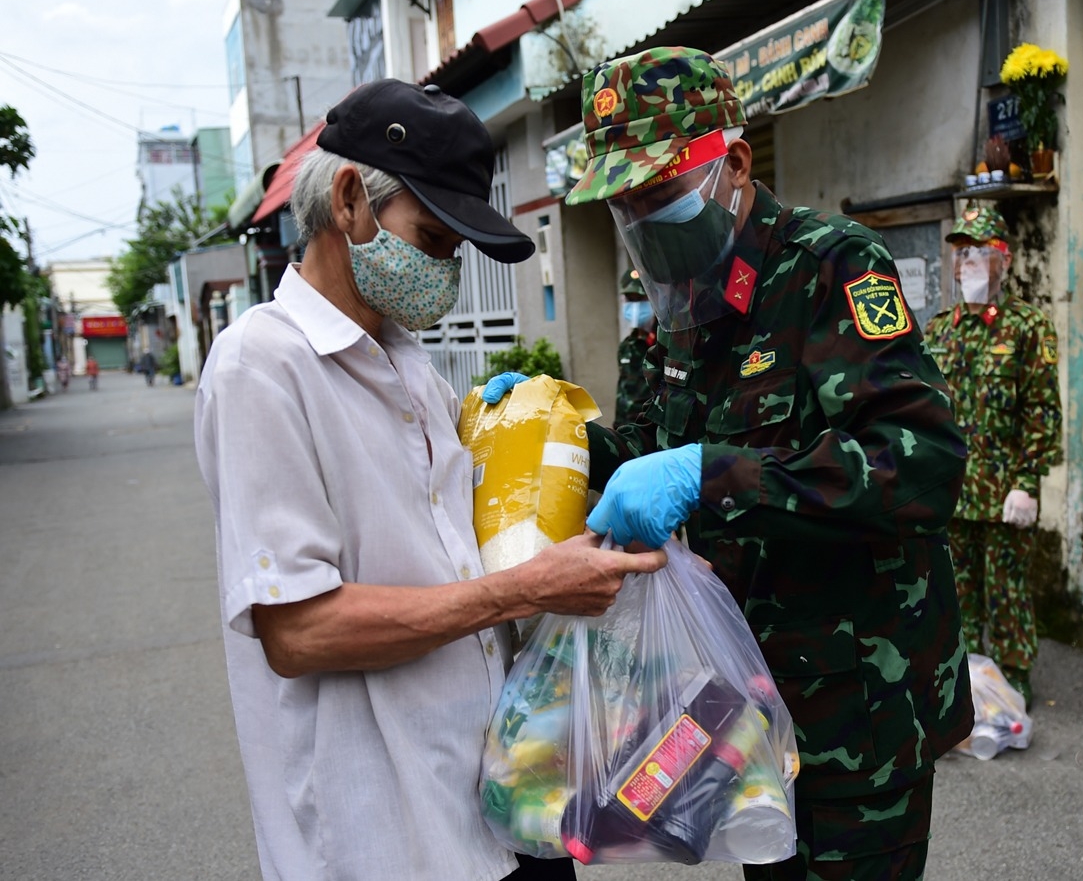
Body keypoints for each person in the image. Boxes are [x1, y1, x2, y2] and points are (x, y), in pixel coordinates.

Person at [192, 78, 666, 881]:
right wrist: (527, 589)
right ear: (349, 200)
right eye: (434, 241)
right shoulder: (261, 369)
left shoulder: (408, 362)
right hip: (384, 836)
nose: (445, 274)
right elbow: (299, 632)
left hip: (498, 800)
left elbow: (457, 547)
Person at [563, 48, 973, 881]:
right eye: (624, 203)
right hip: (742, 718)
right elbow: (649, 465)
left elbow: (919, 463)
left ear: (734, 163)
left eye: (656, 193)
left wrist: (712, 473)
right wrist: (562, 438)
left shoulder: (830, 267)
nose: (640, 220)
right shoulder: (666, 320)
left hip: (858, 723)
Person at [922, 203, 1062, 708]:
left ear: (1004, 260)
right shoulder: (939, 331)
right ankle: (965, 685)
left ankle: (1014, 678)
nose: (970, 263)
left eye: (981, 252)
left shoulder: (1028, 328)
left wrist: (1029, 480)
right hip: (951, 494)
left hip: (1005, 493)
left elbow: (1043, 411)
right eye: (962, 253)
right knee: (954, 594)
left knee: (1007, 592)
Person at [613, 267, 655, 428]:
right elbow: (622, 393)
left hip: (651, 433)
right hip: (626, 431)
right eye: (630, 299)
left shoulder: (665, 344)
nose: (635, 306)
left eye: (641, 298)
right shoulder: (627, 346)